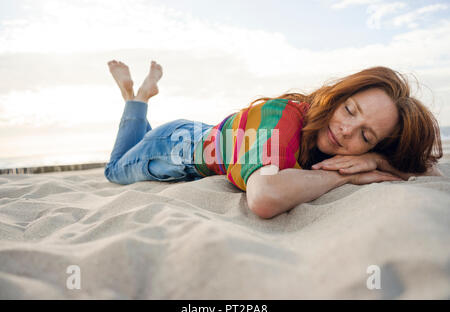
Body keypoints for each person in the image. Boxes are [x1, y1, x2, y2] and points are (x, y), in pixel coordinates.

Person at [104, 60, 443, 219]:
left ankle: (140, 99)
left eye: (365, 135)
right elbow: (264, 197)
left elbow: (429, 172)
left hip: (204, 132)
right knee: (116, 169)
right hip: (174, 149)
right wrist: (350, 174)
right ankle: (138, 100)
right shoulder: (284, 115)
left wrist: (378, 162)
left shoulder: (352, 148)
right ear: (338, 97)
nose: (345, 131)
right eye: (350, 110)